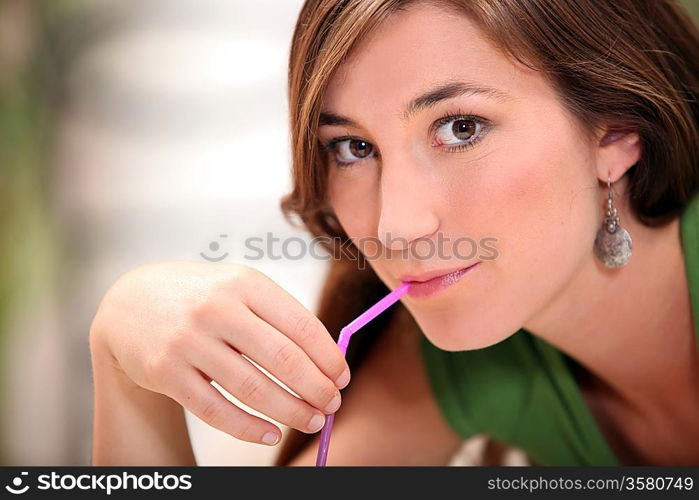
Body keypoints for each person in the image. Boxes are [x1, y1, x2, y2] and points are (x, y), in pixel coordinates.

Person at [89, 0, 699, 466]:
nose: (396, 228)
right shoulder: (461, 368)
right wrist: (123, 362)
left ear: (617, 133)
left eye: (461, 127)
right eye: (353, 148)